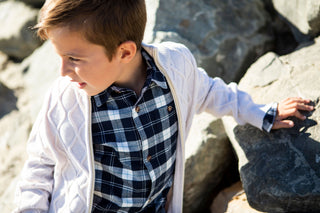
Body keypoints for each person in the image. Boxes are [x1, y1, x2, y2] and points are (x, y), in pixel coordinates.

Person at [13, 0, 314, 212]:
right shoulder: (64, 99)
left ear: (125, 52)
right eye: (60, 58)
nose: (63, 71)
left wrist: (261, 113)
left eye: (74, 59)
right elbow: (39, 167)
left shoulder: (174, 67)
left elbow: (211, 92)